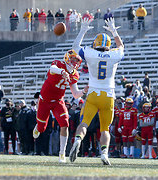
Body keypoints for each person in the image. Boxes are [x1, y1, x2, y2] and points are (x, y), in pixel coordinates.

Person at [69, 17, 124, 165]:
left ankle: (78, 140)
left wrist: (82, 30)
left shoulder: (90, 53)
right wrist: (113, 31)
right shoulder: (113, 54)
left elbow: (75, 47)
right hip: (108, 95)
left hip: (93, 94)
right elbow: (121, 47)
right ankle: (104, 153)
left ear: (96, 43)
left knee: (84, 124)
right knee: (105, 128)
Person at [32, 49, 89, 163]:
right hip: (44, 100)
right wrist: (62, 72)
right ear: (67, 58)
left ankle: (62, 153)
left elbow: (75, 94)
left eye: (77, 61)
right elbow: (52, 69)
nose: (75, 63)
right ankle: (38, 126)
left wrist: (84, 91)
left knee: (65, 123)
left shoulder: (75, 75)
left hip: (58, 101)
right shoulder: (58, 64)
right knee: (42, 128)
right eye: (73, 60)